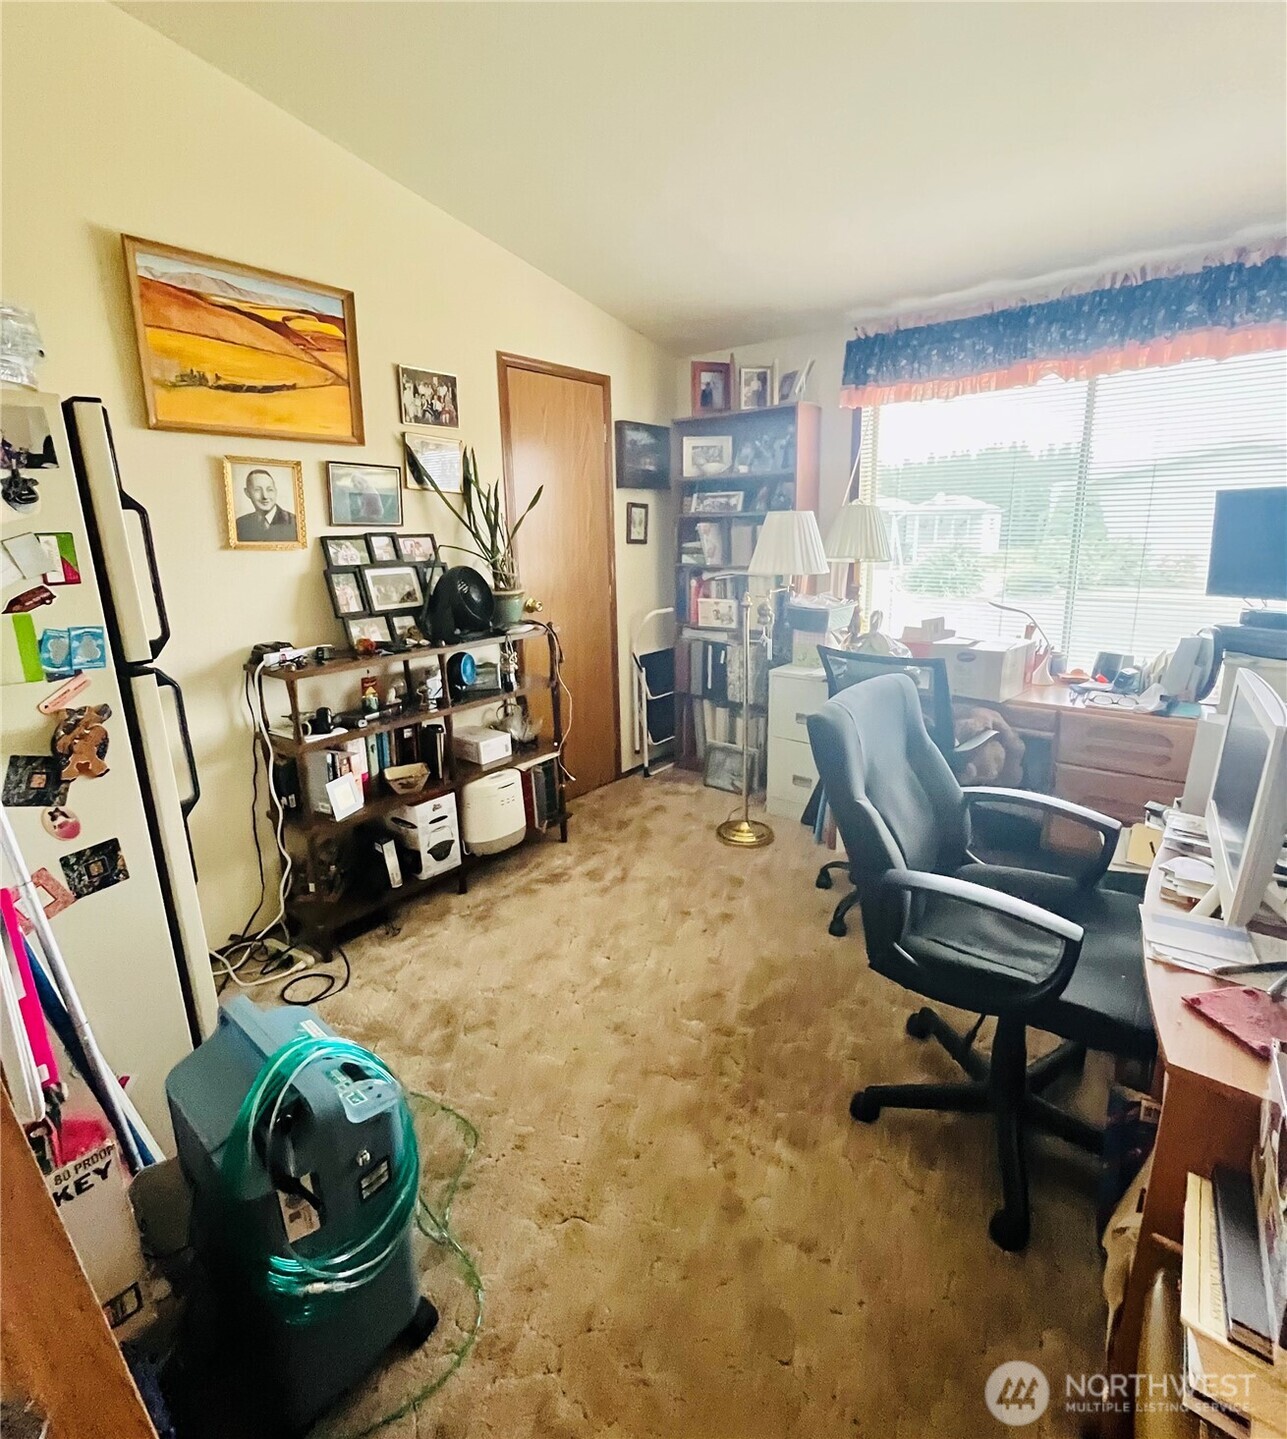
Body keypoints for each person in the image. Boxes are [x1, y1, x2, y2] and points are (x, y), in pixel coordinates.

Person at [236, 468, 297, 541]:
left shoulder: (295, 522)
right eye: (257, 490)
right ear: (247, 493)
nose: (265, 496)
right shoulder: (240, 524)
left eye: (269, 490)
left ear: (275, 491)